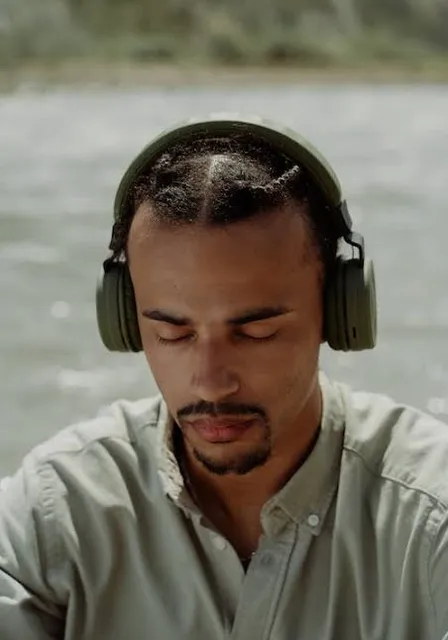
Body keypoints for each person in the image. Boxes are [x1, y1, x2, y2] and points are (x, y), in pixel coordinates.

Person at [0, 114, 447, 640]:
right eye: (172, 334)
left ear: (339, 314)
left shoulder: (429, 519)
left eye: (255, 332)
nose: (210, 383)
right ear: (125, 320)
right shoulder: (58, 510)